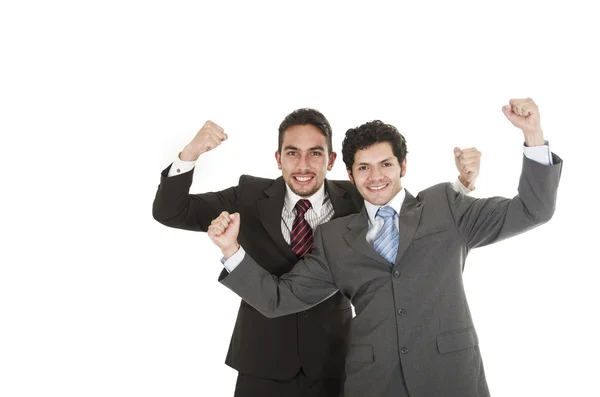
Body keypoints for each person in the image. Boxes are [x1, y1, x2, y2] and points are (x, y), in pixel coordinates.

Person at [207, 98, 562, 397]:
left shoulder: (446, 206)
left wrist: (533, 135)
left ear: (403, 166)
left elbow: (533, 210)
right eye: (364, 167)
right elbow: (278, 299)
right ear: (349, 174)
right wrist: (231, 249)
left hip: (450, 377)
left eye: (385, 164)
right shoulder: (334, 238)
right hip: (372, 383)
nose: (375, 177)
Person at [152, 108, 480, 397]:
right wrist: (191, 152)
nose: (303, 165)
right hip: (261, 360)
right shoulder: (249, 196)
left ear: (332, 160)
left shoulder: (359, 196)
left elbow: (413, 216)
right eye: (292, 153)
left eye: (315, 153)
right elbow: (170, 211)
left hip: (334, 361)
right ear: (278, 158)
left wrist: (462, 185)